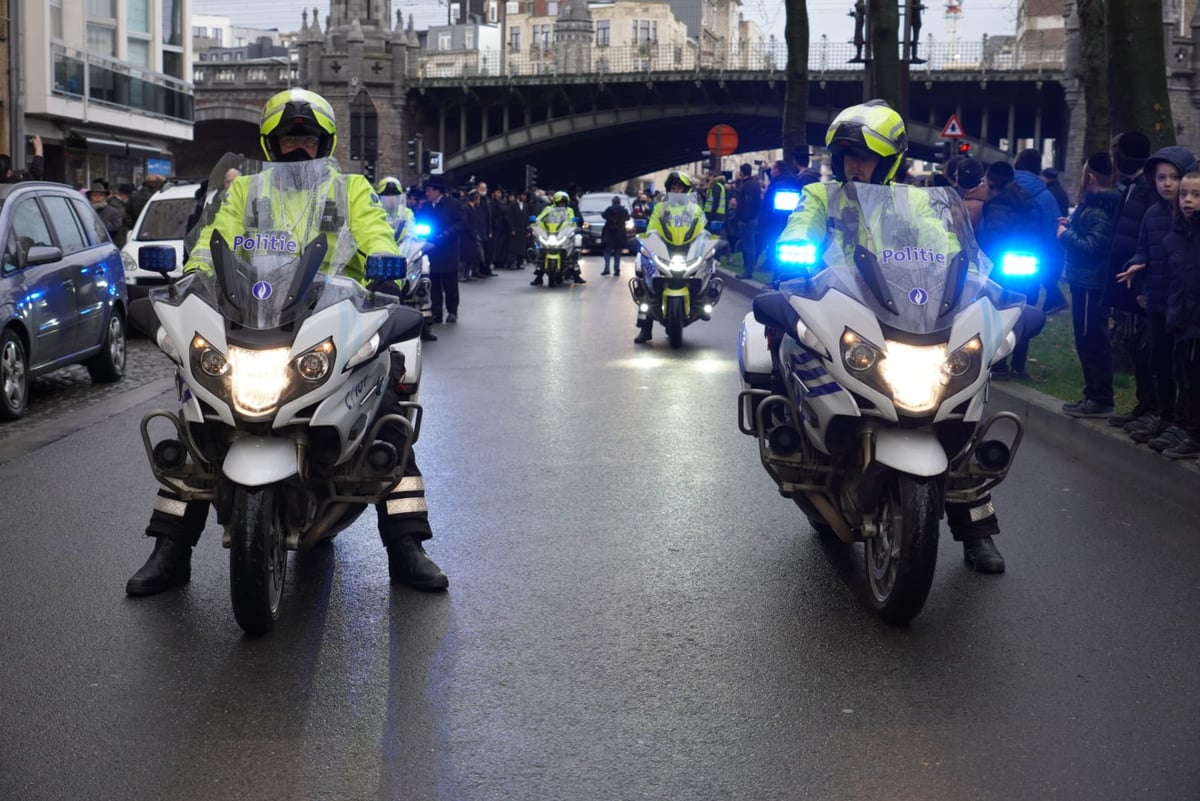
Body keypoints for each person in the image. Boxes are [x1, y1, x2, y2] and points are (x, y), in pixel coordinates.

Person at [124, 88, 448, 596]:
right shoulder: (247, 192)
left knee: (388, 418)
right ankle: (169, 550)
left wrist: (388, 272)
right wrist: (189, 282)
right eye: (288, 138)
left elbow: (376, 236)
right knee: (197, 419)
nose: (299, 147)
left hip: (334, 318)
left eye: (308, 138)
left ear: (325, 142)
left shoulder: (350, 191)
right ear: (271, 143)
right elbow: (215, 244)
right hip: (253, 318)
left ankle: (408, 547)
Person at [778, 98, 1011, 574]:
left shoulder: (914, 204)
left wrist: (975, 278)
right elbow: (797, 231)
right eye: (847, 157)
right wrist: (793, 252)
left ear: (888, 161)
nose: (854, 166)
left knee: (963, 389)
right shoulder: (823, 197)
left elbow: (948, 247)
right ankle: (800, 454)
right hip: (840, 308)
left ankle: (976, 526)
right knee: (790, 349)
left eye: (863, 156)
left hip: (908, 312)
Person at [1114, 145, 1197, 448]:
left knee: (1183, 368)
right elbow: (1142, 252)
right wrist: (1137, 280)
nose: (1167, 184)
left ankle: (1183, 421)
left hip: (1185, 308)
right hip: (1157, 301)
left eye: (1174, 177)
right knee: (1159, 362)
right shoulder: (1152, 214)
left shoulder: (1189, 217)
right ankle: (1163, 414)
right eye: (1161, 177)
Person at [1058, 152, 1123, 419]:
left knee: (1090, 339)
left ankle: (1099, 397)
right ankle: (1092, 394)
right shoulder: (1094, 205)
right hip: (1084, 281)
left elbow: (1092, 247)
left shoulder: (1098, 209)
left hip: (1090, 283)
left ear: (1091, 177)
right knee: (1087, 338)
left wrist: (1065, 235)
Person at [1105, 131, 1157, 429]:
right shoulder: (1132, 187)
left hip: (1137, 281)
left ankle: (1151, 408)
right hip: (1127, 278)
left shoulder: (1145, 188)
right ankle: (1143, 405)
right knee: (1137, 346)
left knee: (1147, 348)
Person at [633, 171, 707, 344]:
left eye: (679, 188)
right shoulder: (661, 208)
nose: (676, 191)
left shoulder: (694, 209)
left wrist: (705, 238)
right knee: (646, 281)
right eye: (673, 188)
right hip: (665, 249)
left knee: (706, 266)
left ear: (686, 190)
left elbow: (702, 228)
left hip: (686, 249)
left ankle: (703, 301)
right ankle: (645, 328)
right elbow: (651, 227)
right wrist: (648, 237)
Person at [1161, 166, 1200, 459]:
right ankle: (1190, 431)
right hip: (1181, 316)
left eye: (1196, 195)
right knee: (1185, 376)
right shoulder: (1176, 232)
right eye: (1184, 194)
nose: (1188, 200)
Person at [1013, 147, 1068, 314]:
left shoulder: (999, 188)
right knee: (1028, 303)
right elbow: (1053, 232)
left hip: (1000, 255)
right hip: (1033, 258)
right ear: (1038, 169)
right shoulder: (1046, 196)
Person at [423, 175, 467, 323]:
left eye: (429, 190)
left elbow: (461, 223)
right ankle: (436, 311)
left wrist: (447, 233)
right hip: (431, 249)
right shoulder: (427, 206)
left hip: (448, 249)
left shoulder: (453, 204)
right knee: (434, 283)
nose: (427, 193)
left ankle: (452, 310)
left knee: (450, 283)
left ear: (437, 191)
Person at [529, 191, 583, 285]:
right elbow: (540, 217)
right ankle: (538, 277)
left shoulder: (569, 210)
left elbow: (572, 220)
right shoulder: (548, 209)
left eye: (564, 203)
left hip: (562, 234)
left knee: (573, 251)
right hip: (550, 233)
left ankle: (576, 276)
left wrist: (575, 224)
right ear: (556, 202)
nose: (562, 204)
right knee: (541, 253)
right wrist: (535, 223)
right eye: (560, 202)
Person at [735, 163, 762, 279]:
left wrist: (744, 218)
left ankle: (748, 271)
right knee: (749, 245)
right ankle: (747, 269)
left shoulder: (748, 185)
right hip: (752, 218)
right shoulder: (754, 184)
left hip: (747, 219)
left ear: (741, 173)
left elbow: (747, 203)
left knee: (748, 246)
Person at [600, 195, 630, 277]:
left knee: (607, 250)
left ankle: (606, 269)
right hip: (620, 232)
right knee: (618, 251)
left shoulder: (609, 209)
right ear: (620, 202)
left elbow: (603, 215)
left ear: (612, 202)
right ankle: (616, 269)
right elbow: (628, 218)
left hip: (609, 232)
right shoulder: (624, 210)